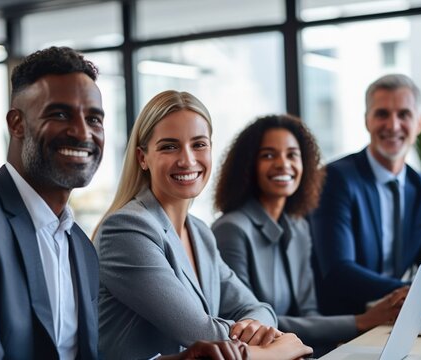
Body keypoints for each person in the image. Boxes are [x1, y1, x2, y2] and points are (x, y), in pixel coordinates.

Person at [0, 47, 253, 360]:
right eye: (59, 115)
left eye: (94, 118)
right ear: (17, 124)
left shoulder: (78, 247)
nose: (82, 132)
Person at [93, 90, 313, 360]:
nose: (187, 160)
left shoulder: (200, 233)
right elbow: (201, 333)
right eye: (169, 146)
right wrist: (278, 350)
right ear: (142, 158)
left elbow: (258, 308)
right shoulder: (125, 230)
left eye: (199, 144)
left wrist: (258, 329)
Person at [212, 114, 407, 356]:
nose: (283, 164)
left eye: (292, 154)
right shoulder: (231, 230)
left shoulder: (298, 226)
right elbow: (252, 328)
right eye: (268, 155)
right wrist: (360, 322)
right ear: (248, 165)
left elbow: (308, 312)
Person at [309, 73, 421, 317]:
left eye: (404, 114)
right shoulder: (335, 179)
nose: (393, 125)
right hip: (345, 322)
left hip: (397, 317)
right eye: (382, 114)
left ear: (418, 124)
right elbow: (339, 272)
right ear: (367, 121)